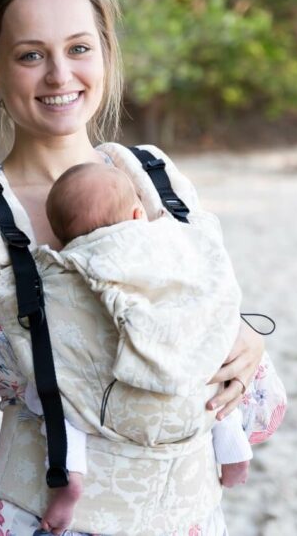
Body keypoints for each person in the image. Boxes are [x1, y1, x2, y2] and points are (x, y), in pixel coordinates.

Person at [0, 0, 286, 536]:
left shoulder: (157, 181)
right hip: (37, 520)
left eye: (79, 48)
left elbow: (236, 377)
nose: (60, 75)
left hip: (187, 519)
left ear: (106, 54)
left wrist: (248, 345)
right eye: (30, 55)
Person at [34, 161, 254, 534]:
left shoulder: (71, 261)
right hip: (179, 352)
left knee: (54, 394)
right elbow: (208, 282)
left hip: (113, 392)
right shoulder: (168, 239)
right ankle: (233, 449)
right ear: (139, 213)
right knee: (210, 376)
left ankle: (70, 472)